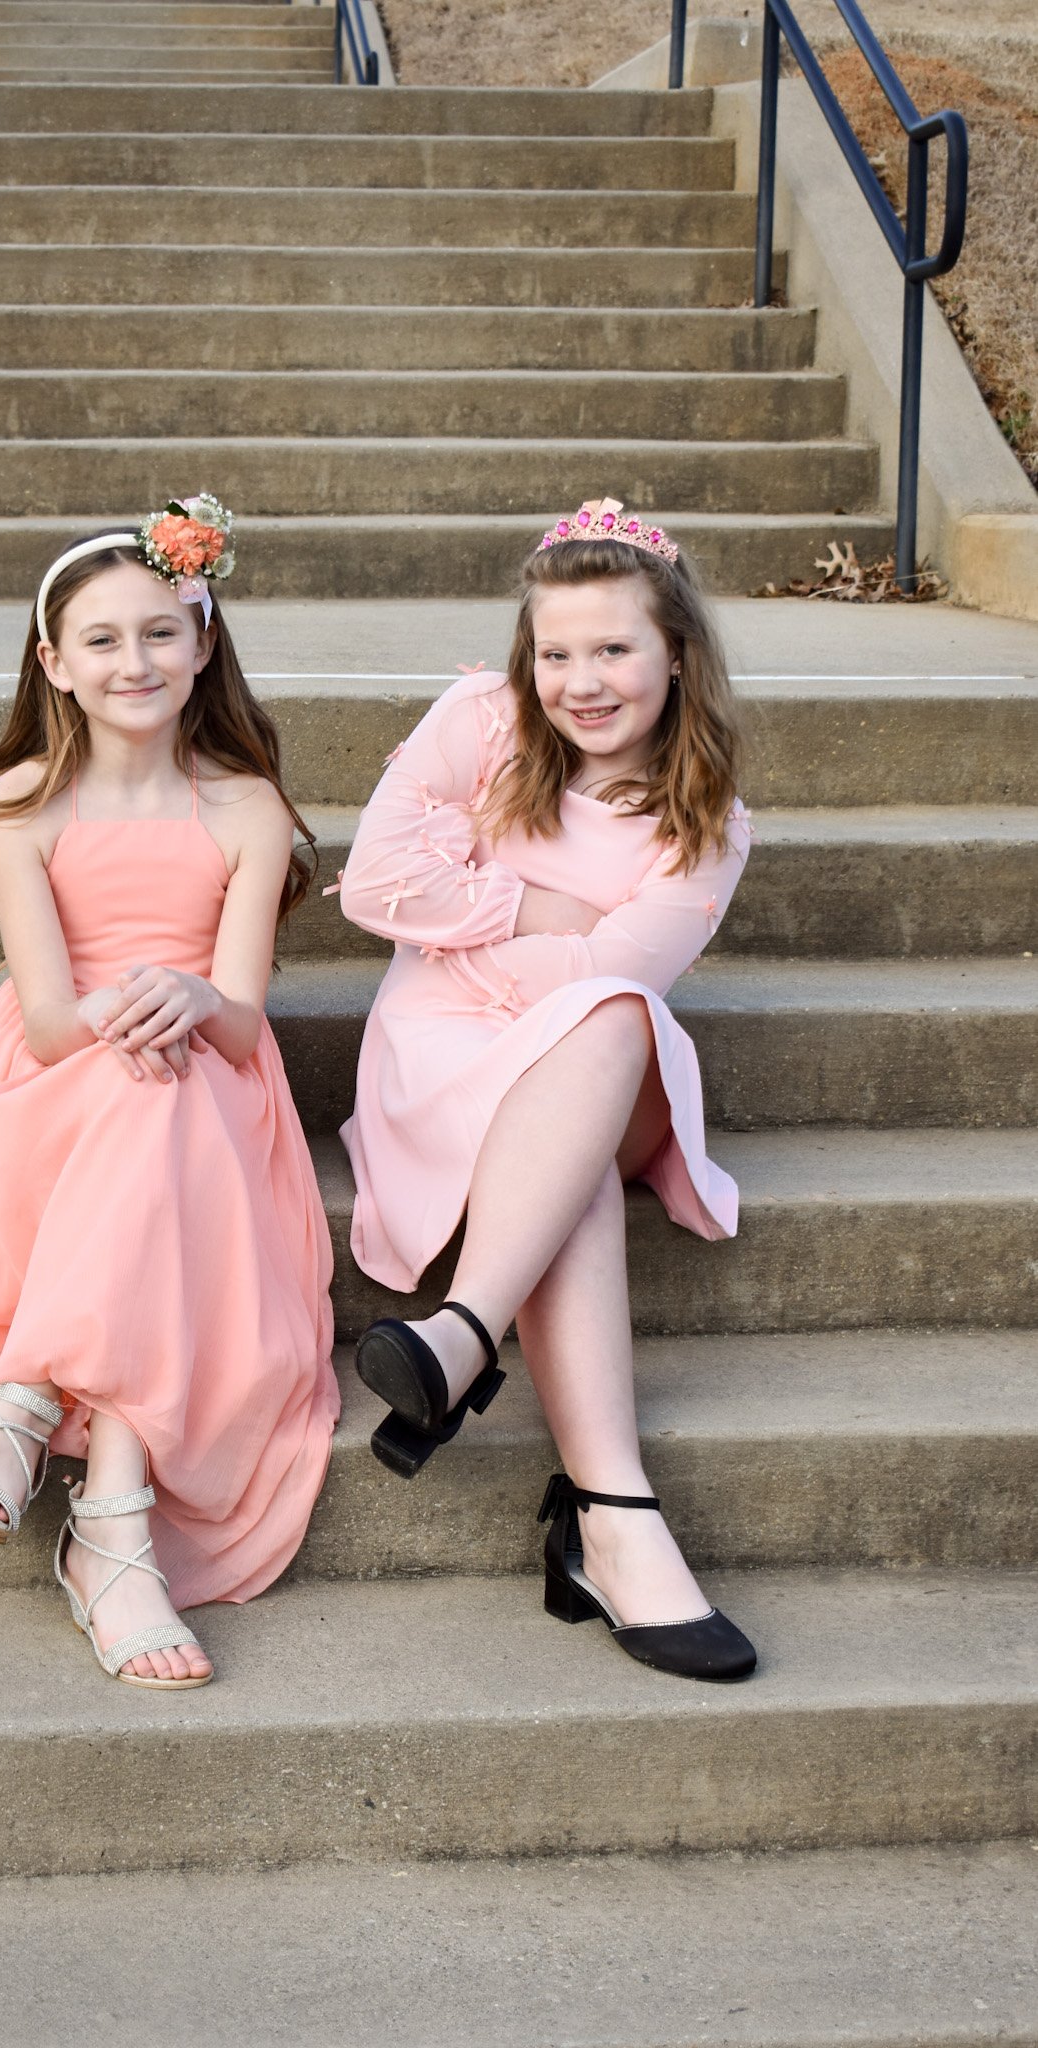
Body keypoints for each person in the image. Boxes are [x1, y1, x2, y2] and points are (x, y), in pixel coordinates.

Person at [0, 498, 339, 1690]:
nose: (137, 660)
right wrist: (143, 1018)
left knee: (167, 1085)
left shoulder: (247, 807)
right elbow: (51, 1016)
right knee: (139, 1082)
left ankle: (33, 1412)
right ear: (55, 664)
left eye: (163, 632)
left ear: (206, 641)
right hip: (49, 1081)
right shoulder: (26, 799)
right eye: (104, 640)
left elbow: (238, 1017)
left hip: (209, 1079)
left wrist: (186, 994)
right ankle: (109, 1539)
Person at [338, 499, 756, 1683]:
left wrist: (466, 916)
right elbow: (373, 881)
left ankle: (462, 1333)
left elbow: (612, 972)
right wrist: (533, 908)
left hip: (589, 1062)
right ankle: (611, 1517)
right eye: (556, 651)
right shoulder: (482, 719)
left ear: (676, 653)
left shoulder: (708, 821)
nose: (581, 680)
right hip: (438, 1054)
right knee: (575, 1134)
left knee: (610, 1012)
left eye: (614, 649)